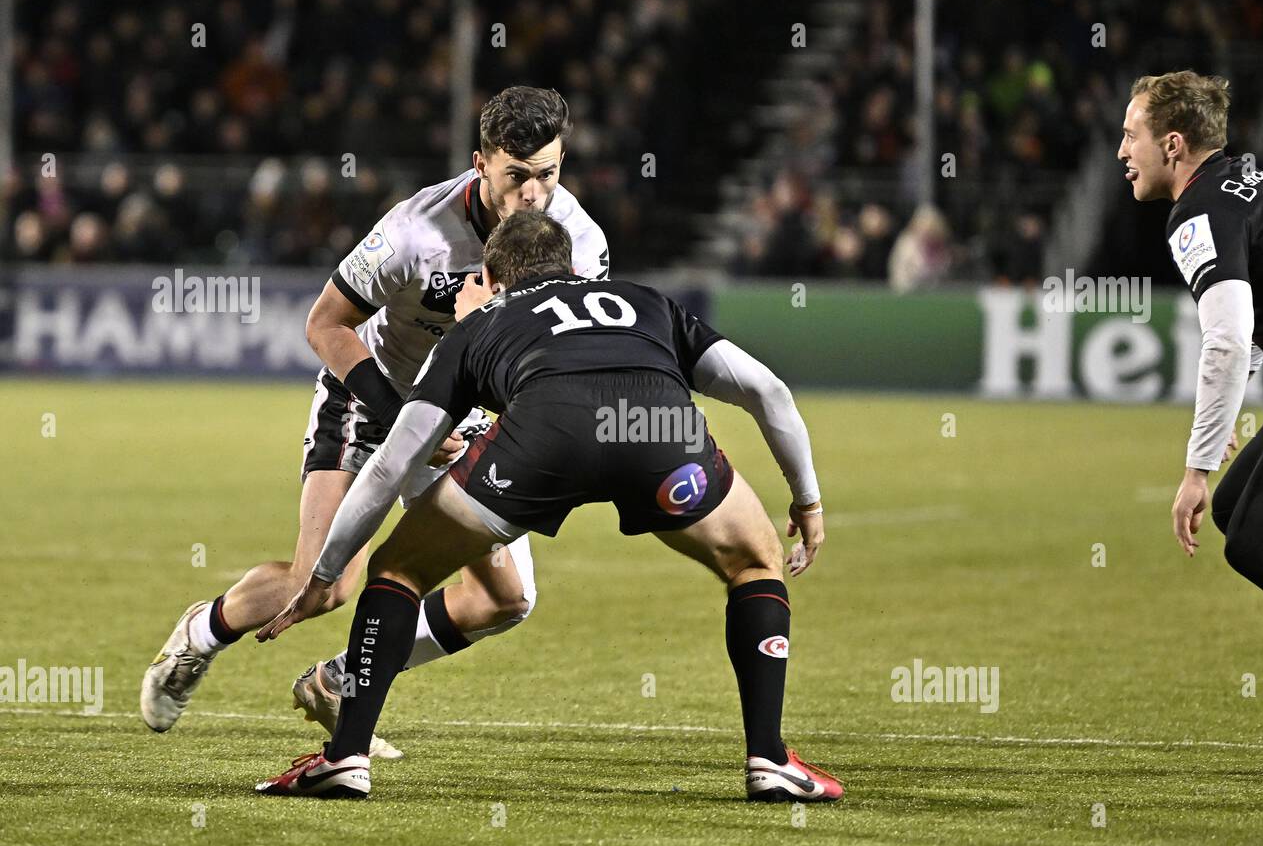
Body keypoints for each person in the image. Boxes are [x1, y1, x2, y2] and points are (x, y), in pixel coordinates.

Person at [254, 210, 842, 802]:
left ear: (489, 273)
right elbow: (767, 391)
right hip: (655, 429)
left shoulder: (477, 325)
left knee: (398, 571)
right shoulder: (646, 301)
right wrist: (808, 499)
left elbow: (392, 463)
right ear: (576, 268)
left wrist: (325, 575)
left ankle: (346, 758)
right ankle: (768, 759)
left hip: (544, 438)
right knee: (755, 562)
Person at [141, 88, 609, 760]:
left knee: (506, 599)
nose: (535, 194)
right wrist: (402, 420)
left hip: (463, 415)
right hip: (374, 399)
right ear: (481, 165)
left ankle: (340, 681)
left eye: (549, 173)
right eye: (517, 176)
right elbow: (325, 324)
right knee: (325, 583)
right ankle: (202, 633)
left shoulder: (579, 242)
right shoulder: (414, 232)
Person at [1118, 70, 1263, 614]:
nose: (1122, 150)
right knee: (1236, 506)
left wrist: (1195, 468)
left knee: (1256, 541)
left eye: (1131, 134)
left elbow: (1227, 339)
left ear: (1172, 145)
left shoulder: (1196, 213)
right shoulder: (1252, 183)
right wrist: (1220, 419)